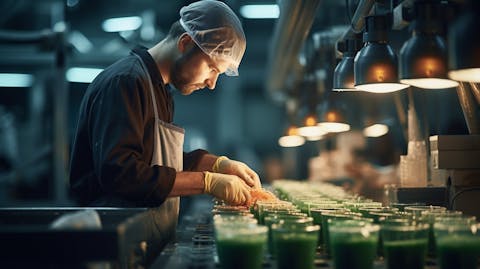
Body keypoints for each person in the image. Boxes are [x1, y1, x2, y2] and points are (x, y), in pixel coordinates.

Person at [69, 0, 260, 209]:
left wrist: (219, 165)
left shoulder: (159, 89)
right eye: (211, 68)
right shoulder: (127, 81)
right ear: (185, 43)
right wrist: (206, 182)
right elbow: (122, 174)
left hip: (136, 226)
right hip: (109, 230)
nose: (212, 84)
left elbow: (157, 164)